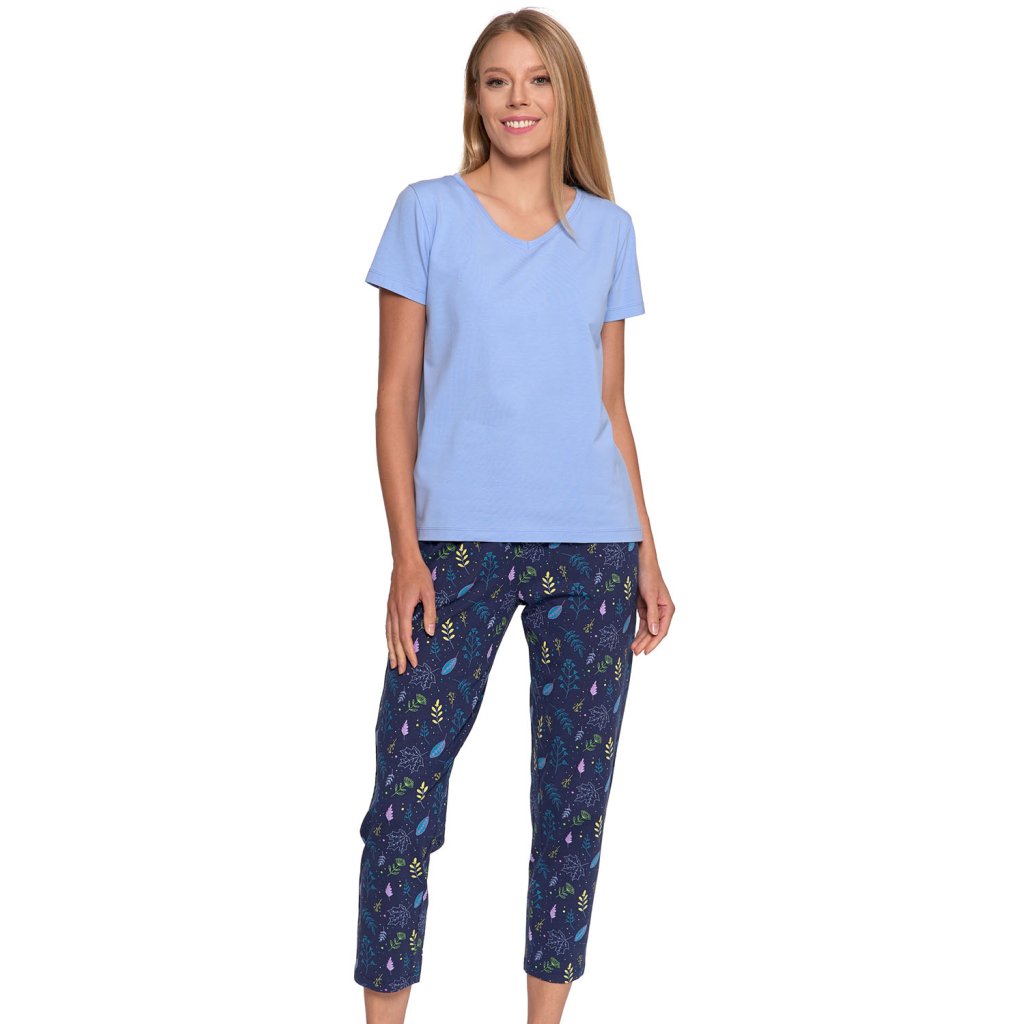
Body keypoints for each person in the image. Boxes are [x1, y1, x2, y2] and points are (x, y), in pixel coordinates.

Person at [354, 10, 675, 1023]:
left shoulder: (609, 231)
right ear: (476, 99)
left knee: (572, 812)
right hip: (454, 547)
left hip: (593, 547)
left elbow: (611, 405)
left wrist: (648, 556)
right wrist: (406, 555)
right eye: (497, 81)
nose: (518, 99)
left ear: (564, 95)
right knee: (403, 797)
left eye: (537, 80)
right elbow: (394, 397)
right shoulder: (426, 213)